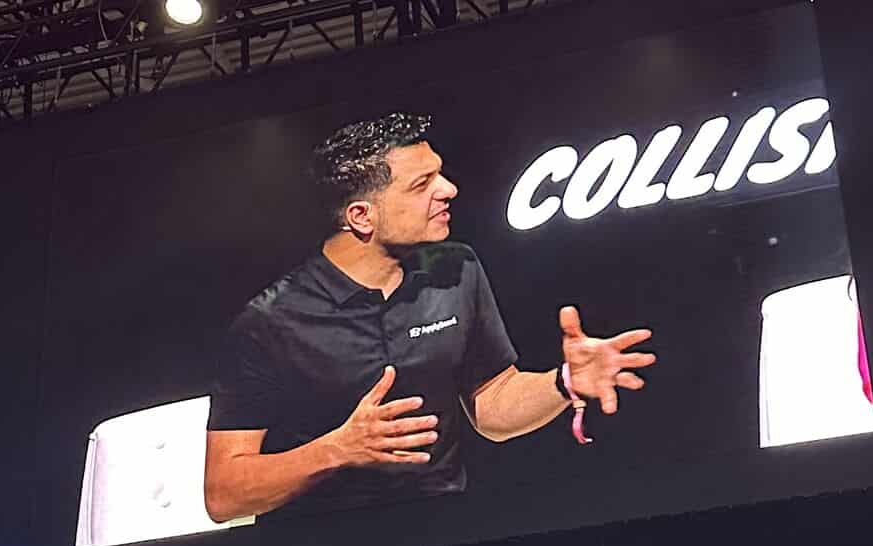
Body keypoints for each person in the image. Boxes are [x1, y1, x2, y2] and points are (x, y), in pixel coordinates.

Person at [204, 111, 658, 522]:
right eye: (422, 185)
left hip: (444, 537)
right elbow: (224, 494)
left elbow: (493, 402)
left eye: (439, 174)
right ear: (361, 216)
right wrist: (336, 449)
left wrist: (562, 382)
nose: (449, 190)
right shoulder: (269, 323)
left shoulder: (456, 269)